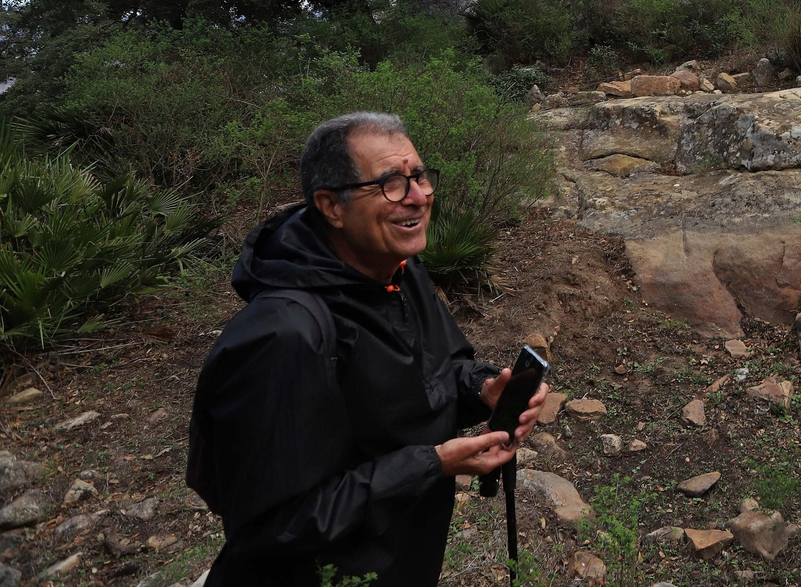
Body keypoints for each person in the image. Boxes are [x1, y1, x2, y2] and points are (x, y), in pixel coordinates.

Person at [189, 112, 547, 586]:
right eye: (390, 184)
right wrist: (432, 463)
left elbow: (442, 370)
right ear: (331, 206)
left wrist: (483, 389)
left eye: (419, 176)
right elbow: (270, 526)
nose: (418, 196)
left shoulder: (398, 270)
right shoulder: (283, 335)